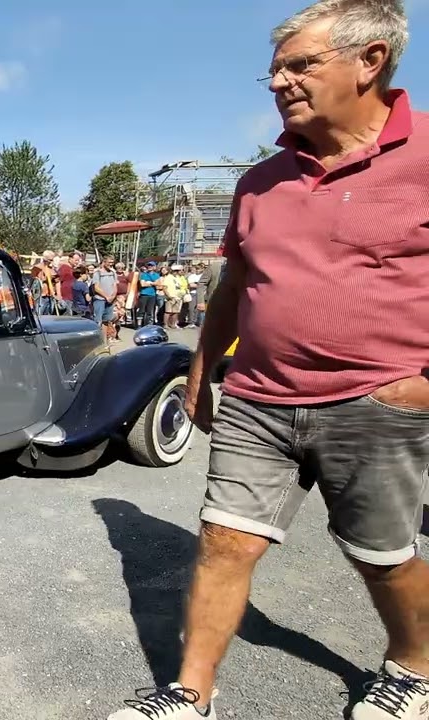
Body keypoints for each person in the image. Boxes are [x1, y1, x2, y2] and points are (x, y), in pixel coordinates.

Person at [109, 1, 429, 718]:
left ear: (370, 61)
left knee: (381, 556)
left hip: (376, 403)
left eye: (300, 65)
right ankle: (189, 695)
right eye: (275, 69)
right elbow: (233, 290)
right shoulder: (260, 182)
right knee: (224, 543)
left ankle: (414, 666)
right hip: (259, 399)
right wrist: (199, 378)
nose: (280, 81)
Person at [90, 254, 120, 343]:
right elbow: (96, 287)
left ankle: (104, 341)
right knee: (98, 321)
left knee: (106, 321)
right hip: (100, 299)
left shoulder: (113, 272)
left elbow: (115, 285)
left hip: (110, 300)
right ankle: (96, 341)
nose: (111, 264)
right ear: (104, 262)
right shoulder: (98, 273)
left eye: (112, 263)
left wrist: (113, 295)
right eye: (109, 262)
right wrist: (106, 296)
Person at [136, 261, 160, 327]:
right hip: (144, 294)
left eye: (151, 265)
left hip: (152, 295)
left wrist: (149, 283)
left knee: (150, 311)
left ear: (154, 267)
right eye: (149, 265)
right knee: (141, 310)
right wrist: (153, 283)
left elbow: (158, 284)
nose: (150, 267)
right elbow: (142, 284)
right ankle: (139, 325)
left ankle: (148, 325)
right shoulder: (144, 274)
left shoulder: (156, 275)